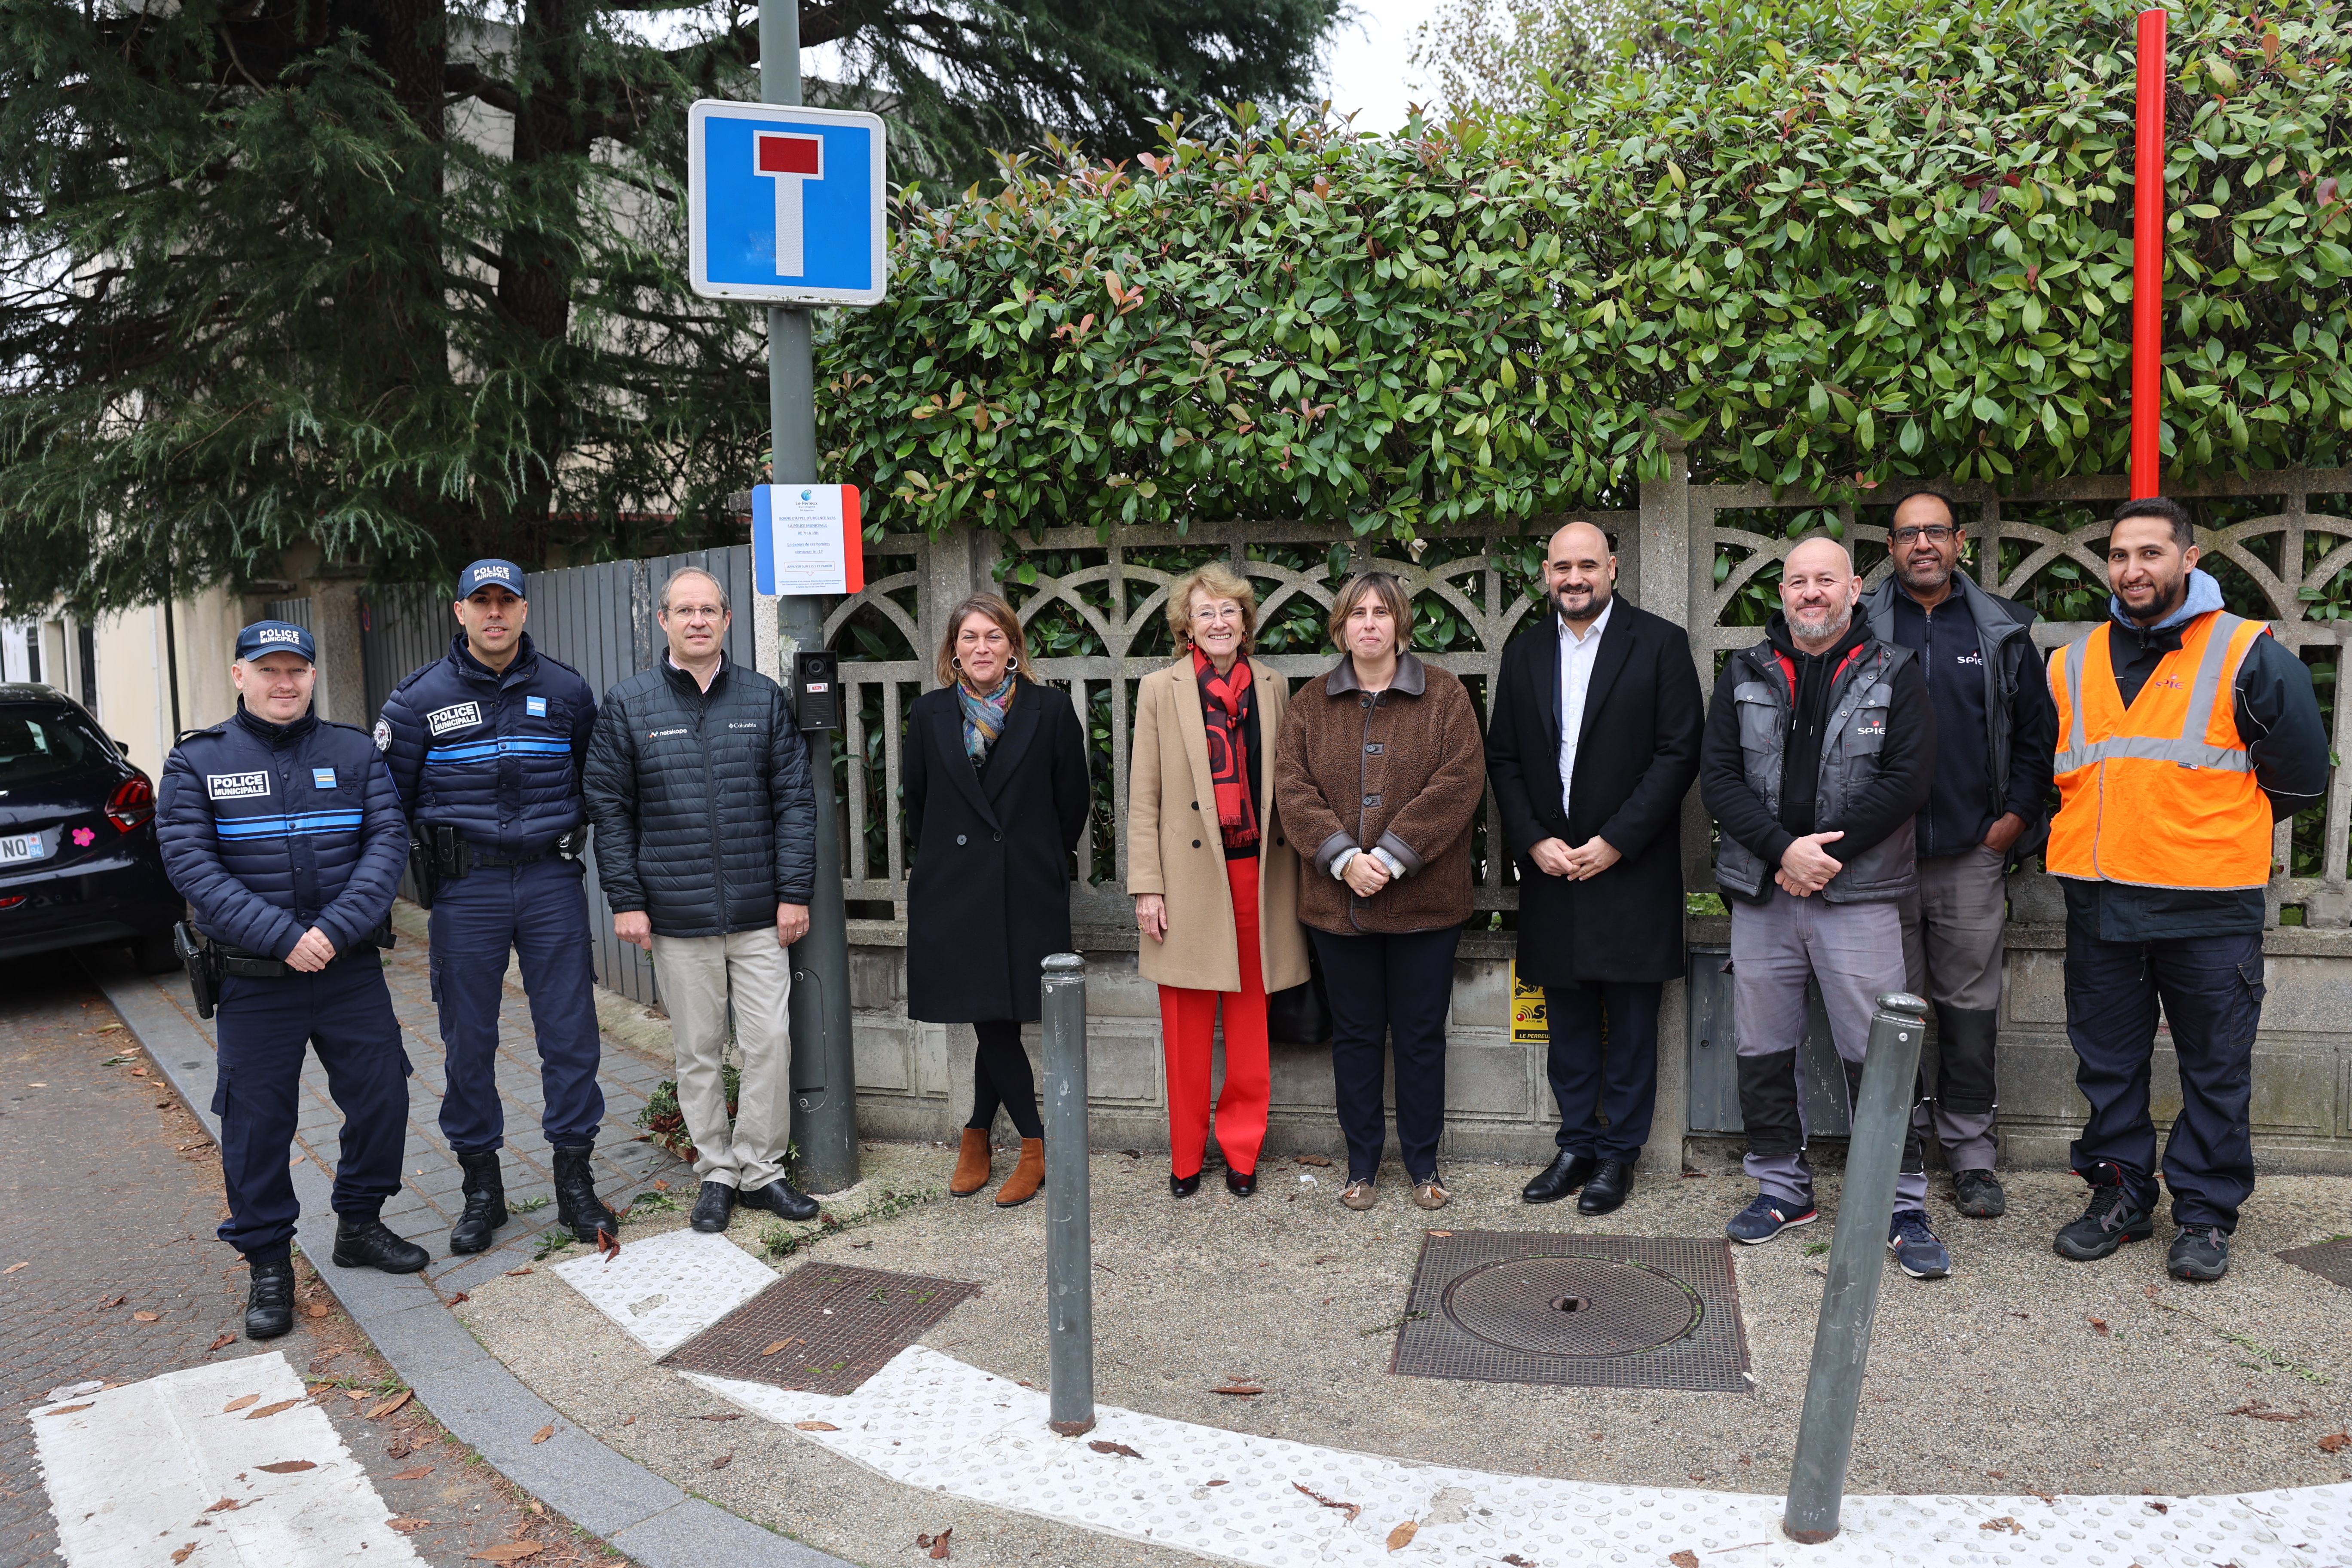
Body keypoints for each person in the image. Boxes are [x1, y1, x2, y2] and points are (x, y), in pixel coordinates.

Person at [2046, 496, 2328, 1281]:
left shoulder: (2249, 653)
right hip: (2100, 902)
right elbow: (2053, 774)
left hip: (2207, 907)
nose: (2133, 570)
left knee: (2215, 1065)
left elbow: (2302, 781)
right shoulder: (2071, 662)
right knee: (2107, 1063)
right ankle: (2120, 1193)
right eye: (2120, 555)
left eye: (2150, 554)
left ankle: (2204, 1215)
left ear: (2189, 558)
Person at [157, 622, 425, 1340]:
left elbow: (386, 842)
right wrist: (283, 938)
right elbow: (191, 866)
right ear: (239, 675)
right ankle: (269, 1263)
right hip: (253, 980)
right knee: (256, 1126)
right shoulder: (198, 762)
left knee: (382, 1098)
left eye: (297, 670)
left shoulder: (353, 752)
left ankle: (360, 1224)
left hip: (348, 970)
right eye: (268, 669)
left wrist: (332, 932)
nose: (285, 683)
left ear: (312, 676)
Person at [1700, 536, 1951, 1278]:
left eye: (1825, 581)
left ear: (1854, 589)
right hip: (1764, 889)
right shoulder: (1744, 670)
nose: (1811, 593)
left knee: (1880, 1052)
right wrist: (1784, 851)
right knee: (1763, 1048)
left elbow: (1909, 780)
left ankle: (1901, 1203)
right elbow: (1718, 778)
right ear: (1782, 593)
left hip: (1860, 893)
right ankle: (1781, 1190)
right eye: (1797, 582)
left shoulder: (1894, 672)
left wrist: (1823, 858)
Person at [377, 560, 615, 1253]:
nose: (494, 614)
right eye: (481, 603)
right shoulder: (417, 699)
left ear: (524, 610)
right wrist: (379, 907)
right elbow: (386, 810)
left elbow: (595, 782)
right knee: (468, 1043)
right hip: (466, 889)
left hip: (548, 882)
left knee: (570, 1035)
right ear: (459, 613)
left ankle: (575, 1179)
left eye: (505, 602)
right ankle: (483, 1188)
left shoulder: (567, 690)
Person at [583, 567, 821, 1235]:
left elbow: (795, 802)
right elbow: (610, 807)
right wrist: (626, 899)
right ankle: (717, 1171)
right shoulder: (629, 704)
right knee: (698, 1050)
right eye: (683, 610)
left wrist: (793, 894)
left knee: (771, 1041)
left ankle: (762, 1170)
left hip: (757, 915)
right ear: (663, 621)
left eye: (708, 610)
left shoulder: (762, 698)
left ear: (726, 621)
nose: (696, 621)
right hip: (677, 916)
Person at [1486, 521, 1704, 1216]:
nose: (1574, 578)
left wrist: (1616, 840)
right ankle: (1577, 1143)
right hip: (1552, 869)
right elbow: (1505, 760)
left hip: (1630, 869)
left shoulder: (1661, 644)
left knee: (1634, 1026)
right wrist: (1530, 841)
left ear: (1612, 567)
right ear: (1546, 573)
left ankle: (1619, 1157)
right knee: (1569, 1022)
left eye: (1587, 565)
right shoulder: (1523, 655)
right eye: (1561, 567)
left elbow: (1678, 754)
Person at [1859, 491, 2057, 1220]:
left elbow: (2038, 738)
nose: (1922, 545)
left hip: (1974, 855)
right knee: (1893, 1012)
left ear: (1958, 542)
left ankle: (1972, 1155)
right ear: (1889, 547)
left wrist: (2014, 820)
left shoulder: (1999, 630)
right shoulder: (1861, 626)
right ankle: (1899, 1150)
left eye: (1934, 532)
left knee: (1970, 1009)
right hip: (1881, 860)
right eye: (1908, 534)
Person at [1274, 570, 1486, 1213]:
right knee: (1358, 1036)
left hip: (1426, 907)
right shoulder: (1311, 703)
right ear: (1340, 626)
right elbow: (1292, 787)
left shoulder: (1445, 696)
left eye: (1381, 612)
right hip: (1338, 909)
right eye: (1357, 613)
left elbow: (1460, 782)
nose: (1370, 623)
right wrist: (1342, 859)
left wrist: (1392, 858)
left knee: (1422, 1037)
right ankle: (1361, 1164)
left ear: (1400, 624)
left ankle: (1424, 1164)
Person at [1127, 564, 1311, 1199]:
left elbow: (1287, 788)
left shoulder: (1273, 685)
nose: (1218, 623)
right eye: (1205, 613)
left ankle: (1241, 1153)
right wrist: (1146, 887)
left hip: (1258, 877)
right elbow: (1143, 795)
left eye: (1229, 611)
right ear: (1186, 625)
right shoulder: (1159, 689)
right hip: (1185, 883)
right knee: (1184, 1031)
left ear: (1246, 621)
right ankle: (1184, 1158)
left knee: (1250, 1030)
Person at [903, 593, 1091, 1208]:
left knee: (999, 1017)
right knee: (992, 1015)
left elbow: (1074, 804)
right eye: (969, 638)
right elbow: (918, 806)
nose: (981, 648)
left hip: (1025, 886)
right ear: (952, 649)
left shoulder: (1052, 709)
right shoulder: (929, 714)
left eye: (993, 636)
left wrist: (1031, 858)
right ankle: (1022, 1142)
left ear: (1013, 647)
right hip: (954, 890)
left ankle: (990, 1137)